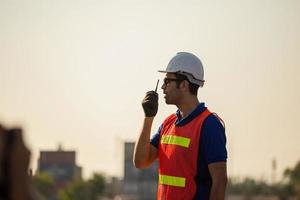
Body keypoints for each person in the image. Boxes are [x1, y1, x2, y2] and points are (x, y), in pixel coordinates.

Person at [133, 52, 228, 200]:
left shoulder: (210, 125)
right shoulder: (168, 123)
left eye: (168, 81)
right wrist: (148, 117)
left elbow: (220, 181)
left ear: (184, 84)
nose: (163, 87)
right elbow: (140, 161)